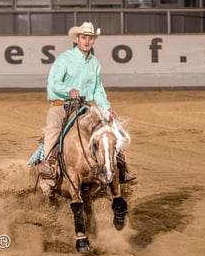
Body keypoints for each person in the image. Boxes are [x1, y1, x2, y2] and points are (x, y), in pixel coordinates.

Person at [39, 21, 135, 184]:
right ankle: (50, 165)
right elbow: (53, 82)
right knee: (54, 132)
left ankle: (120, 167)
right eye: (84, 37)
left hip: (84, 108)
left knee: (109, 130)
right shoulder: (64, 59)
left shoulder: (94, 63)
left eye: (90, 38)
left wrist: (106, 108)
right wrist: (68, 90)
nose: (87, 41)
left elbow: (98, 88)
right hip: (61, 106)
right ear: (77, 39)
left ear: (93, 41)